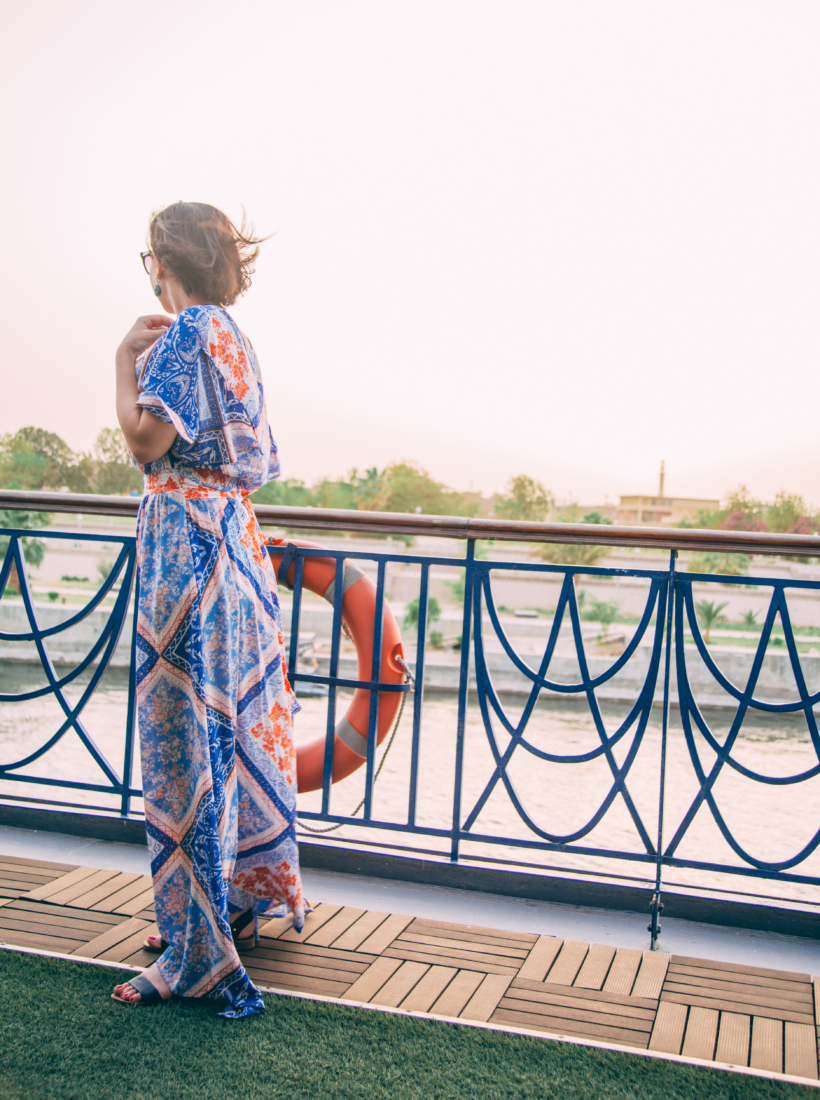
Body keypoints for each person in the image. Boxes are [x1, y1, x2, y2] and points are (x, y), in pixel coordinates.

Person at [110, 202, 304, 1017]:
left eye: (147, 255)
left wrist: (123, 360)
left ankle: (194, 952)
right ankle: (230, 906)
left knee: (184, 739)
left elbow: (146, 442)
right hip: (236, 546)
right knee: (232, 727)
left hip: (188, 549)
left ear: (165, 259)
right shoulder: (234, 335)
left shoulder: (186, 332)